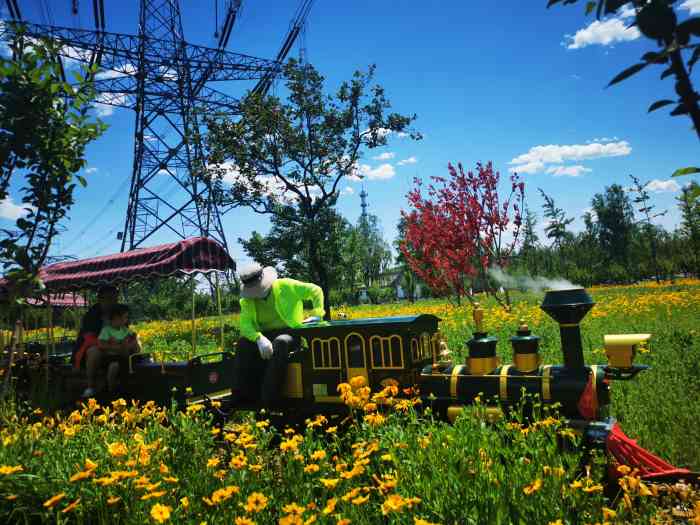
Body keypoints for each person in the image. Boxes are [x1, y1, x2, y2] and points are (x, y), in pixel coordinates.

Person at [234, 263, 324, 404]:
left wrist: (317, 313)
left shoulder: (286, 286)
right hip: (264, 336)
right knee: (243, 344)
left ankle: (269, 397)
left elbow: (315, 290)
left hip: (291, 333)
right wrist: (258, 338)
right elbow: (245, 326)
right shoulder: (247, 301)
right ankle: (243, 395)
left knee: (280, 342)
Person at [82, 304, 140, 398]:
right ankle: (111, 391)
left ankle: (122, 391)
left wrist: (131, 343)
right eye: (125, 317)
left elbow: (134, 342)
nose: (126, 320)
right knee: (113, 367)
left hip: (124, 357)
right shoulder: (106, 330)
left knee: (123, 365)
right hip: (111, 357)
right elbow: (101, 344)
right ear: (117, 318)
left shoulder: (126, 330)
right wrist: (117, 347)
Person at [73, 285, 118, 371]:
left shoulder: (119, 312)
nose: (113, 302)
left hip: (113, 345)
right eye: (109, 298)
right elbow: (89, 339)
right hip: (91, 346)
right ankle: (91, 382)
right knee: (94, 352)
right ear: (100, 299)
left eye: (115, 299)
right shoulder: (91, 315)